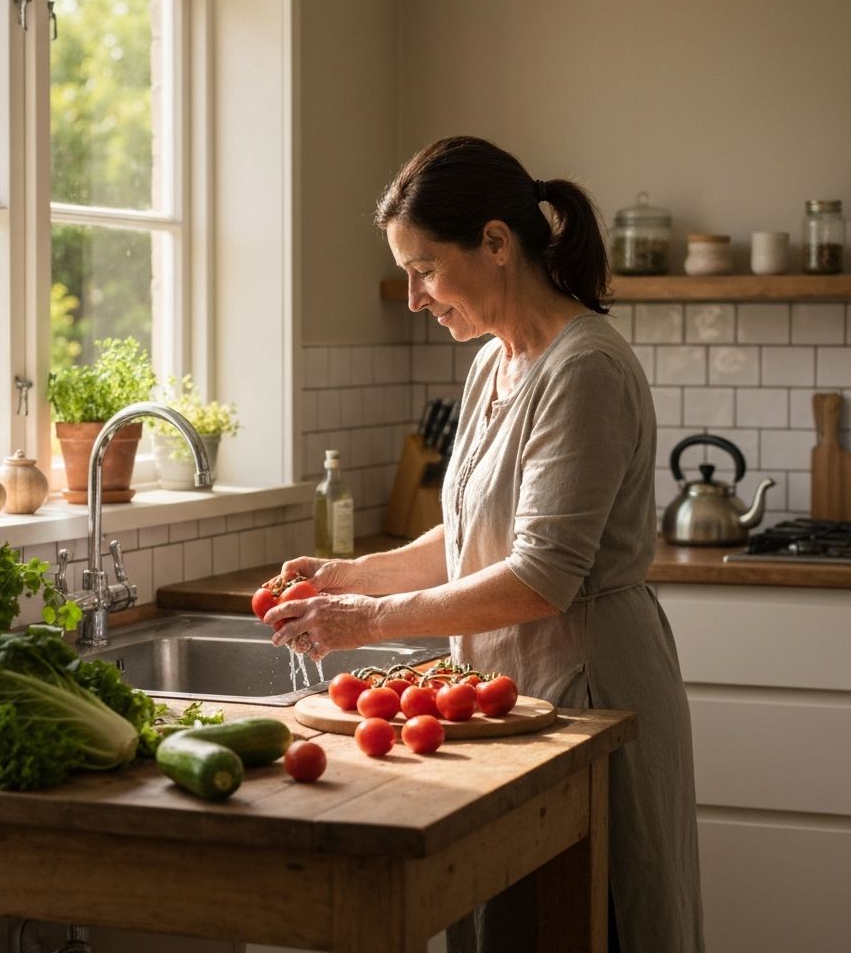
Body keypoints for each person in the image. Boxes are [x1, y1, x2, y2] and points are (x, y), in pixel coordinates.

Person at [265, 136, 704, 953]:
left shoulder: (586, 368)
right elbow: (473, 533)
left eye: (425, 269)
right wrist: (351, 574)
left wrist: (365, 621)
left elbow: (540, 575)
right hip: (507, 692)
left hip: (587, 688)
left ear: (497, 243)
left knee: (593, 920)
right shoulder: (493, 363)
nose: (413, 297)